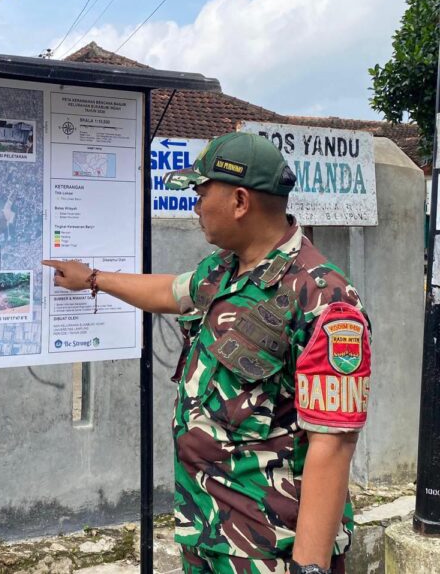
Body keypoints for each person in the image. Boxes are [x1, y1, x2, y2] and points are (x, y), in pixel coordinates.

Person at [43, 132, 371, 574]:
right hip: (207, 531)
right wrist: (93, 278)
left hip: (269, 549)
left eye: (201, 193)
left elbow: (333, 444)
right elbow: (168, 291)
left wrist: (307, 567)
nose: (195, 206)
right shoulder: (222, 270)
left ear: (239, 201)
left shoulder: (323, 298)